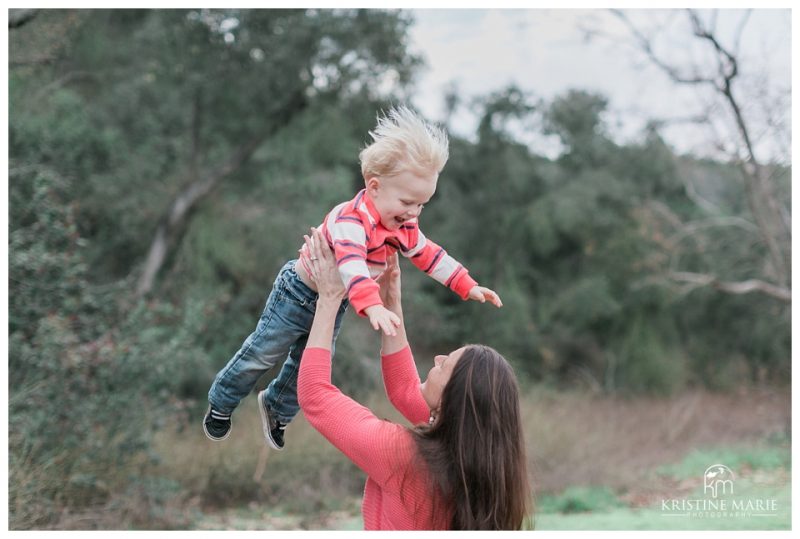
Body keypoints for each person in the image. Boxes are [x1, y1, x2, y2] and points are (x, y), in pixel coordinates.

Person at [204, 106, 502, 450]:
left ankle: (276, 408)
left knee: (309, 364)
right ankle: (223, 399)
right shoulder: (350, 221)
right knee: (263, 352)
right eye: (407, 201)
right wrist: (372, 306)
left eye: (422, 205)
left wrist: (466, 284)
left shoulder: (403, 226)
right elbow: (351, 266)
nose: (413, 213)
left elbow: (430, 254)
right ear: (374, 188)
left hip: (339, 298)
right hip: (298, 294)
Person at [297, 227, 532, 530]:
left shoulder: (401, 455)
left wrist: (329, 299)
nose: (437, 359)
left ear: (451, 399)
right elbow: (405, 390)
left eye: (444, 365)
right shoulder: (490, 464)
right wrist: (391, 304)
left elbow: (315, 395)